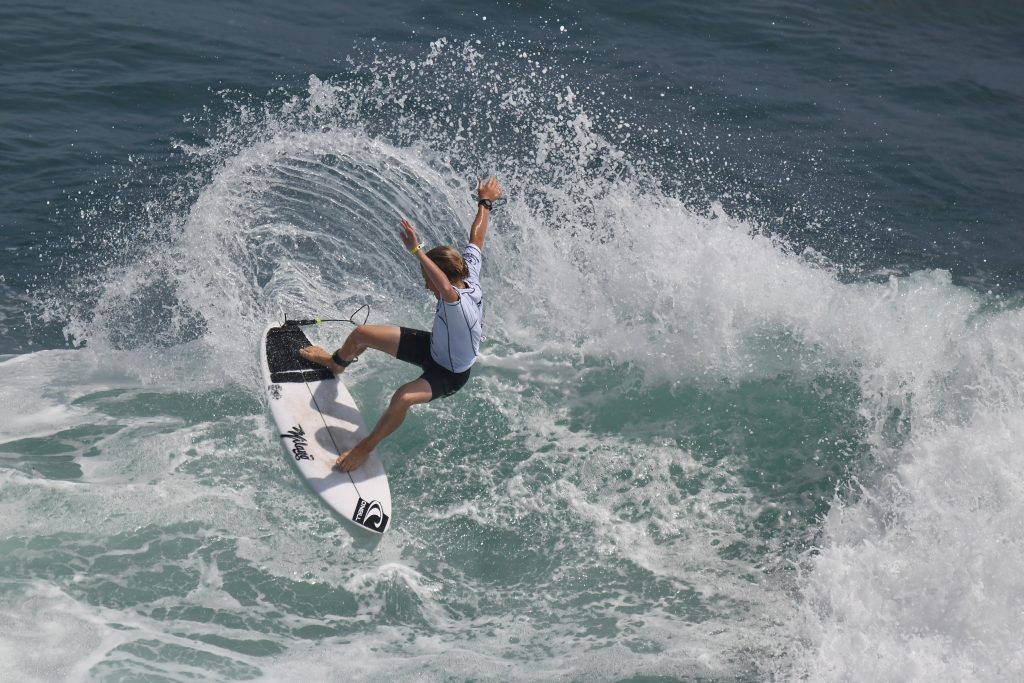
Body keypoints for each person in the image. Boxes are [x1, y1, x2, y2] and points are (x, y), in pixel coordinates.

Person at [298, 176, 503, 472]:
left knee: (403, 397)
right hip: (434, 347)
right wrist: (485, 202)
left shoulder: (456, 302)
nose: (425, 286)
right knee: (361, 334)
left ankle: (364, 449)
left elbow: (443, 287)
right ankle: (335, 364)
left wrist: (417, 249)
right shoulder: (467, 271)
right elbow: (477, 239)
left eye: (426, 280)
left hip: (450, 373)